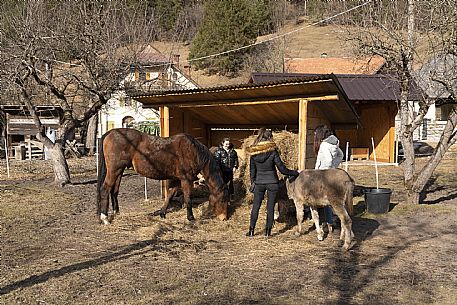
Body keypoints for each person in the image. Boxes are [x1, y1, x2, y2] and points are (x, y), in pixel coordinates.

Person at [246, 128, 299, 237]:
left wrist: (253, 182)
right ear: (269, 138)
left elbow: (252, 170)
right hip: (272, 182)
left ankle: (251, 231)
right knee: (270, 207)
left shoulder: (254, 152)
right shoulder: (273, 151)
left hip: (259, 182)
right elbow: (282, 169)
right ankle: (267, 232)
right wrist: (295, 173)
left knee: (256, 206)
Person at [313, 125, 344, 232]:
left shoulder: (324, 145)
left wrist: (325, 171)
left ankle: (328, 221)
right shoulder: (334, 142)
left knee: (323, 199)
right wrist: (334, 167)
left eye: (315, 134)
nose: (315, 136)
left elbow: (328, 159)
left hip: (323, 175)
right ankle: (329, 221)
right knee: (329, 199)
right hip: (330, 173)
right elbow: (341, 155)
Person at [214, 137, 239, 202]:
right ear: (223, 143)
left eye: (229, 144)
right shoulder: (219, 151)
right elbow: (216, 161)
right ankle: (222, 196)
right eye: (226, 144)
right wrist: (218, 169)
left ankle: (231, 196)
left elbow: (236, 159)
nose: (228, 145)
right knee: (222, 183)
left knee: (230, 183)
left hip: (230, 170)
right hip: (222, 170)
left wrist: (235, 166)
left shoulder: (233, 151)